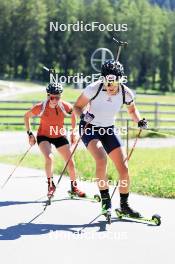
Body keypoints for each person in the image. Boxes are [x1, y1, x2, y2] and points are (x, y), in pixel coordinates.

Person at [73, 59, 147, 217]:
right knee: (101, 159)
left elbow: (132, 111)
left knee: (124, 169)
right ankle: (105, 201)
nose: (110, 86)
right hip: (90, 128)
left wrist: (139, 121)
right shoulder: (94, 88)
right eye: (107, 82)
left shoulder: (126, 93)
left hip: (108, 129)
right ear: (103, 78)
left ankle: (124, 206)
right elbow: (77, 107)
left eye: (114, 82)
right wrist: (84, 116)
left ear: (120, 79)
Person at [24, 82, 85, 198]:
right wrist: (29, 133)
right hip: (44, 136)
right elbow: (26, 116)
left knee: (70, 161)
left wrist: (73, 132)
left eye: (58, 97)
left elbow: (73, 115)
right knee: (49, 157)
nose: (55, 100)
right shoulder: (40, 107)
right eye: (52, 97)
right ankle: (51, 185)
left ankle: (74, 187)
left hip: (59, 135)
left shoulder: (64, 106)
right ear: (48, 96)